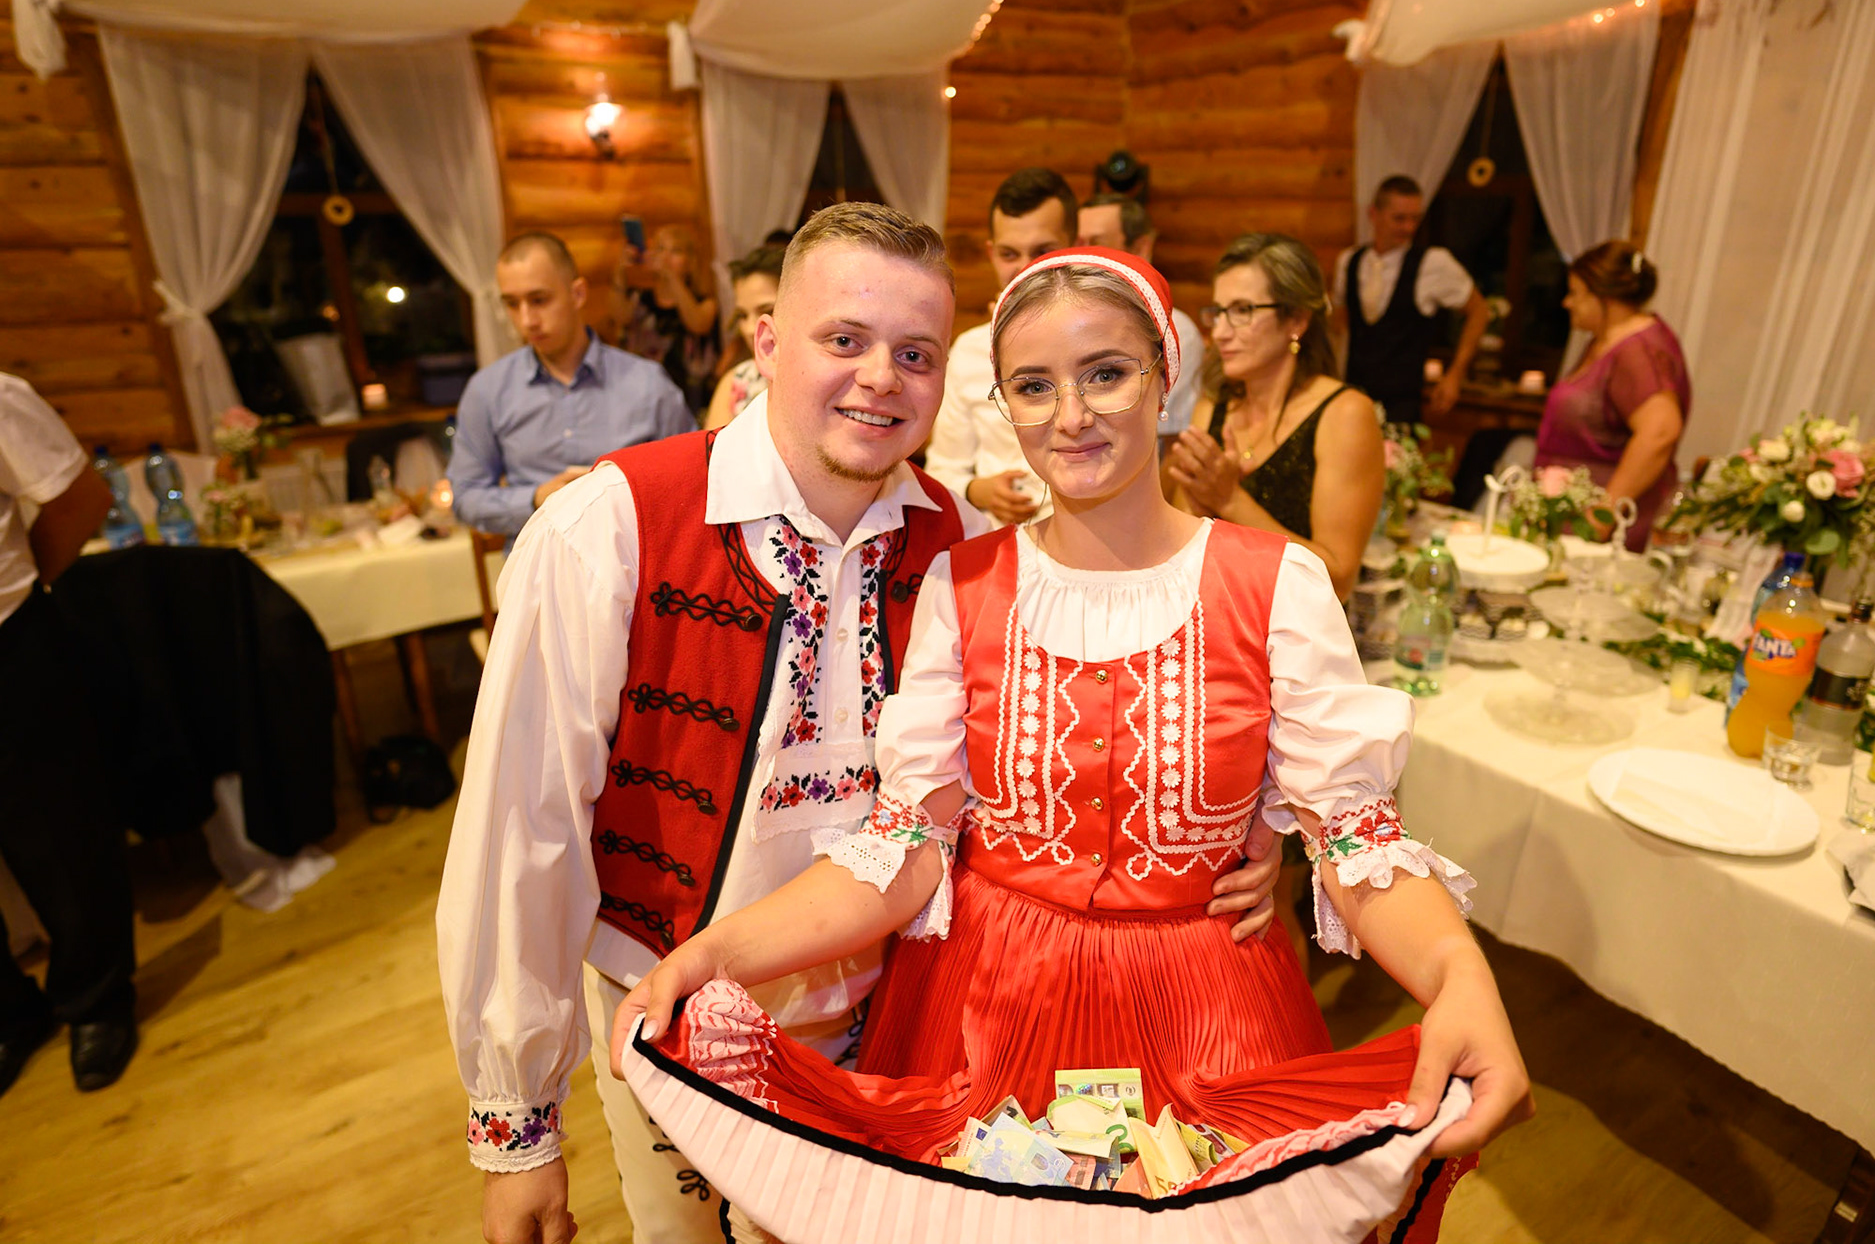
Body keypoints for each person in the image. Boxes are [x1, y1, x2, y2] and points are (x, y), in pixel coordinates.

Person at [614, 249, 1532, 1238]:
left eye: (1106, 373)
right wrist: (716, 950)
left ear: (1164, 375)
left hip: (1213, 1016)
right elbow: (901, 850)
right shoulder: (965, 583)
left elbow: (1357, 841)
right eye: (1034, 385)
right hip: (985, 1011)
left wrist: (1459, 973)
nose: (1072, 415)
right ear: (1004, 403)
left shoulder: (1278, 583)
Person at [437, 206, 1288, 1244]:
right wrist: (518, 1125)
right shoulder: (609, 526)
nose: (880, 377)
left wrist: (1246, 831)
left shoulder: (966, 543)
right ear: (765, 343)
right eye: (844, 338)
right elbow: (520, 835)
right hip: (674, 1021)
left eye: (915, 353)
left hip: (897, 1024)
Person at [0, 375, 139, 1098]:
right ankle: (6, 1013)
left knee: (59, 832)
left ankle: (97, 999)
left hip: (8, 640)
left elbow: (81, 497)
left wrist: (18, 593)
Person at [1167, 234, 1385, 602]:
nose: (1220, 332)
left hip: (1295, 628)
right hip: (1215, 615)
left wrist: (1231, 502)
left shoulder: (1344, 413)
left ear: (1296, 319)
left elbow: (1338, 581)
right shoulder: (1213, 407)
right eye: (1218, 312)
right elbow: (1178, 551)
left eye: (1242, 311)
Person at [449, 232, 696, 542]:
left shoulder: (648, 383)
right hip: (536, 563)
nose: (527, 321)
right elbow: (465, 497)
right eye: (512, 304)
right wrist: (535, 499)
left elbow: (693, 479)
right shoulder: (488, 390)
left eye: (539, 300)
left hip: (635, 560)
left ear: (577, 294)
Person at [923, 167, 1077, 527]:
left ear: (1075, 246)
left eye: (1042, 251)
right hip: (996, 538)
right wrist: (979, 490)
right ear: (991, 254)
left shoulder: (1098, 345)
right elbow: (943, 470)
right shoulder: (968, 350)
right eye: (1009, 254)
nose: (1024, 269)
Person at [1534, 241, 1690, 551]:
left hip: (1600, 530)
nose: (1567, 302)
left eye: (1575, 293)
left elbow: (1660, 432)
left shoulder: (1638, 351)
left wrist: (1603, 513)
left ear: (1604, 297)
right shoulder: (1606, 340)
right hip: (1572, 516)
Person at [1332, 175, 1489, 424]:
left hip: (1402, 404)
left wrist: (1455, 374)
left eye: (1415, 219)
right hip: (1353, 397)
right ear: (1373, 214)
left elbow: (1479, 311)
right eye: (1399, 218)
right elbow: (1340, 325)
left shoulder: (1434, 263)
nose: (1408, 228)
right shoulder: (1348, 261)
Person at [1077, 192, 1206, 450]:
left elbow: (1173, 444)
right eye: (1078, 244)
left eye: (1096, 245)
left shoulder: (1173, 330)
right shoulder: (1066, 325)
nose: (1083, 257)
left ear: (1140, 249)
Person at [617, 222, 722, 416]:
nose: (665, 257)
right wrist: (620, 271)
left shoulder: (706, 302)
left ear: (690, 261)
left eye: (675, 251)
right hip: (644, 402)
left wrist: (670, 276)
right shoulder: (640, 299)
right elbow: (619, 316)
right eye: (660, 249)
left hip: (692, 404)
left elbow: (698, 323)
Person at [703, 244, 783, 431]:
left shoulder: (826, 376)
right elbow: (715, 448)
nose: (750, 328)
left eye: (766, 311)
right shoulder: (736, 381)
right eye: (742, 315)